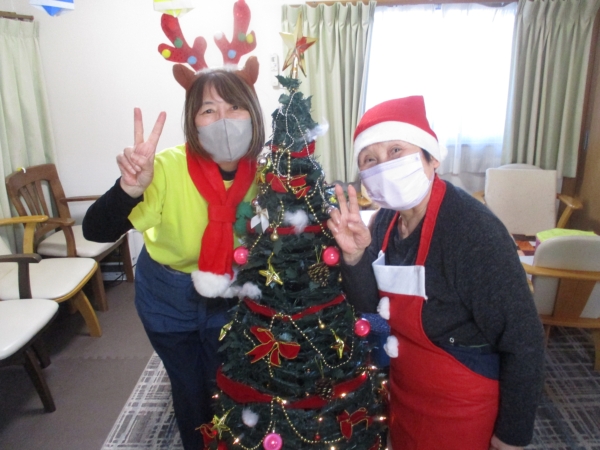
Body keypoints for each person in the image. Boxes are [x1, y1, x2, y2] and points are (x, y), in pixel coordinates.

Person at [327, 96, 545, 450]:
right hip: (405, 393)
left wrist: (511, 438)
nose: (384, 166)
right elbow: (371, 304)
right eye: (370, 159)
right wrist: (355, 258)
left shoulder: (473, 232)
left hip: (462, 406)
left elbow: (524, 340)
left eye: (396, 150)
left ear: (432, 158)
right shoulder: (385, 221)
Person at [82, 59, 265, 450]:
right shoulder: (164, 168)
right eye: (208, 110)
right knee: (188, 386)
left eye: (234, 106)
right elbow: (95, 231)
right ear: (193, 122)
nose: (223, 119)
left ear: (252, 111)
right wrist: (128, 189)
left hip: (231, 292)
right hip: (167, 293)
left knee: (226, 378)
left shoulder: (266, 174)